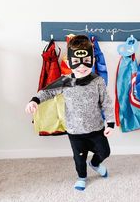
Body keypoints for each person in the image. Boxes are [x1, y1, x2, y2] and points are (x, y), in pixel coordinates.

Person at [25, 35, 115, 191]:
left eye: (86, 61)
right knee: (79, 158)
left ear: (92, 61)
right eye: (76, 62)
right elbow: (47, 92)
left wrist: (110, 122)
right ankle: (81, 177)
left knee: (105, 151)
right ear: (69, 62)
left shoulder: (98, 81)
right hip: (75, 131)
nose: (81, 66)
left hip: (96, 129)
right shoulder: (65, 81)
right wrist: (34, 100)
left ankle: (95, 163)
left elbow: (106, 103)